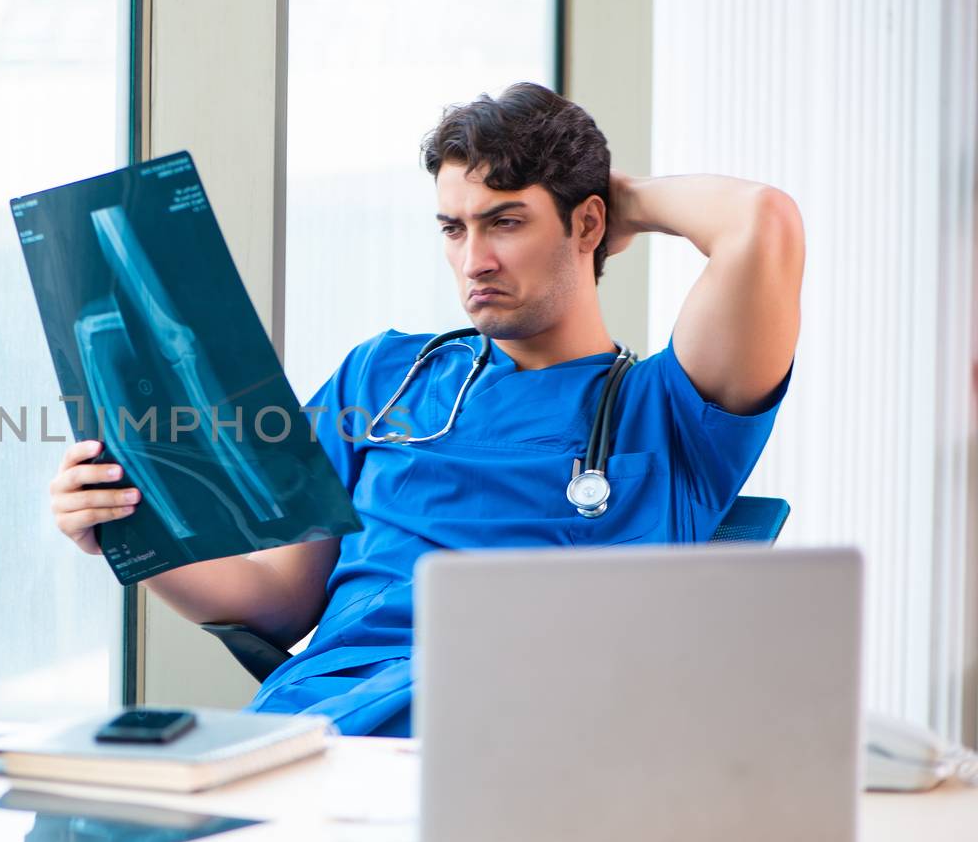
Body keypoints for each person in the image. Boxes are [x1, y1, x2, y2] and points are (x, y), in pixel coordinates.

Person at [48, 81, 803, 741]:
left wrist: (618, 197)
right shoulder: (385, 375)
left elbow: (761, 223)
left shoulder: (667, 411)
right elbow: (277, 599)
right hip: (321, 731)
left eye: (505, 222)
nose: (474, 259)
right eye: (454, 227)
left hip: (525, 747)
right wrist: (135, 535)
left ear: (587, 225)